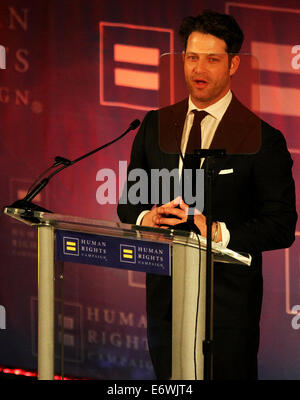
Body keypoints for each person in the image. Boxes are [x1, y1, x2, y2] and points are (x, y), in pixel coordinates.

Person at [117, 10, 297, 380]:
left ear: (233, 65)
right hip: (166, 299)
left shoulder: (262, 138)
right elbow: (128, 204)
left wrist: (215, 232)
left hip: (227, 307)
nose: (199, 69)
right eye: (192, 57)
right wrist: (147, 218)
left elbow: (280, 226)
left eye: (212, 59)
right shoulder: (155, 124)